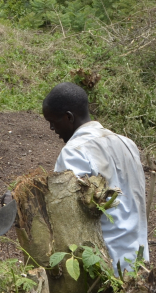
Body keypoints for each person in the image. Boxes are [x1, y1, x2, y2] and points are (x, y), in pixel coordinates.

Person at [41, 82, 148, 273]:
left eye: (53, 122)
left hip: (105, 266)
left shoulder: (75, 152)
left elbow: (66, 213)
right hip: (139, 260)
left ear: (68, 117)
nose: (51, 128)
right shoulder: (127, 144)